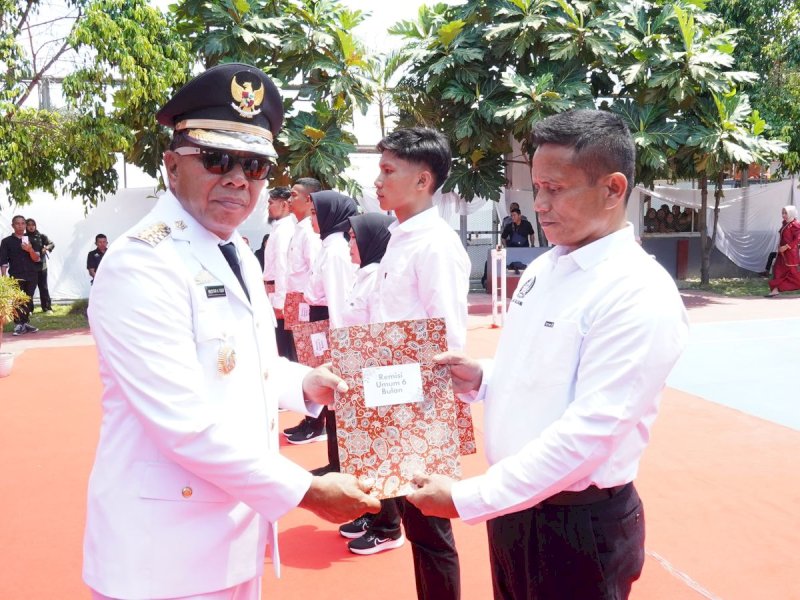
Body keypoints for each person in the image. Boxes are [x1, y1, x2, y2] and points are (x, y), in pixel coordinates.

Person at [82, 63, 379, 600]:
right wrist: (307, 491)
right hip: (163, 556)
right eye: (217, 159)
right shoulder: (141, 264)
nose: (238, 179)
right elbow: (184, 424)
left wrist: (305, 383)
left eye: (255, 165)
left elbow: (244, 360)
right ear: (173, 165)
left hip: (233, 534)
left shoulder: (233, 247)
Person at [407, 109, 689, 600]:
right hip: (517, 506)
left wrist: (468, 497)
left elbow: (590, 433)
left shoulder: (637, 292)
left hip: (577, 528)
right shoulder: (544, 268)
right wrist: (483, 379)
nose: (539, 204)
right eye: (537, 188)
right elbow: (539, 373)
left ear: (613, 188)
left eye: (555, 189)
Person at [350, 127, 469, 599]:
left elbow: (448, 336)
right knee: (419, 528)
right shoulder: (401, 236)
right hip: (390, 396)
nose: (377, 181)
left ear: (423, 181)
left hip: (419, 407)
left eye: (387, 171)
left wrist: (426, 413)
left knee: (431, 528)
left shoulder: (434, 244)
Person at [297, 190, 359, 470]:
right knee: (326, 395)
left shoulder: (335, 252)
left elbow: (337, 301)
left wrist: (337, 343)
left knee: (334, 398)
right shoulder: (327, 245)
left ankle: (339, 464)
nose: (312, 219)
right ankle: (333, 461)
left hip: (329, 326)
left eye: (315, 213)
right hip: (320, 323)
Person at [282, 177, 327, 444]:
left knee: (312, 361)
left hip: (308, 302)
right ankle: (310, 415)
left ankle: (316, 422)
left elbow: (313, 272)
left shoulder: (309, 233)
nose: (290, 200)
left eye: (295, 195)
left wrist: (306, 303)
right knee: (302, 359)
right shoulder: (299, 228)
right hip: (297, 300)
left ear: (309, 200)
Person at [262, 186, 295, 359]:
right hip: (272, 291)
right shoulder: (278, 228)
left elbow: (283, 267)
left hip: (278, 293)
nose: (268, 206)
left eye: (271, 202)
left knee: (283, 345)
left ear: (284, 205)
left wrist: (280, 302)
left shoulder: (285, 230)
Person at [0, 215, 41, 335]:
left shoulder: (32, 240)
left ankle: (24, 323)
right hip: (16, 275)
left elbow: (37, 258)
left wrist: (30, 250)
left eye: (23, 223)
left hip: (32, 274)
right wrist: (4, 277)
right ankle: (18, 324)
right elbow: (3, 261)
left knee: (28, 300)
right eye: (17, 223)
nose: (21, 226)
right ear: (13, 225)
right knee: (17, 300)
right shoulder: (6, 241)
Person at [765, 205, 800, 297]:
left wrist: (786, 246)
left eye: (786, 213)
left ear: (791, 213)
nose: (783, 215)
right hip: (782, 253)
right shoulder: (785, 223)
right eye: (783, 213)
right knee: (777, 270)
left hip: (790, 254)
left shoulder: (795, 224)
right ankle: (775, 290)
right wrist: (780, 247)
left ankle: (776, 289)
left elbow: (797, 239)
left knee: (793, 275)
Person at [25, 218, 54, 312]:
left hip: (42, 266)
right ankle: (29, 309)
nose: (31, 226)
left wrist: (46, 248)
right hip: (29, 267)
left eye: (33, 224)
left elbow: (51, 244)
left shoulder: (41, 236)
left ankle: (46, 307)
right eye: (28, 225)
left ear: (35, 225)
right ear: (26, 226)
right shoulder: (24, 237)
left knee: (43, 287)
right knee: (29, 289)